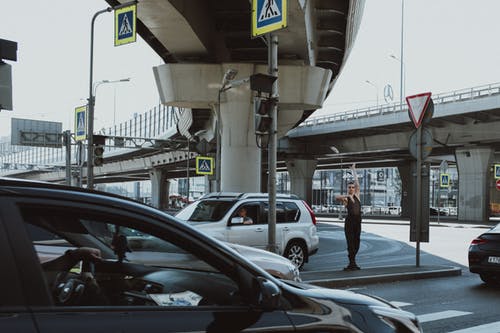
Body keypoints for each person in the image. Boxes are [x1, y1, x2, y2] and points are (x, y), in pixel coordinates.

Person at [335, 164, 362, 271]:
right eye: (349, 187)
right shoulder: (346, 199)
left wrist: (354, 169)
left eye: (352, 187)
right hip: (349, 223)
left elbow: (357, 182)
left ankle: (353, 262)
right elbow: (336, 197)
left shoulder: (357, 195)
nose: (351, 188)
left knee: (357, 244)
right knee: (350, 244)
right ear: (348, 189)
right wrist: (348, 196)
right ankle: (352, 263)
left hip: (358, 223)